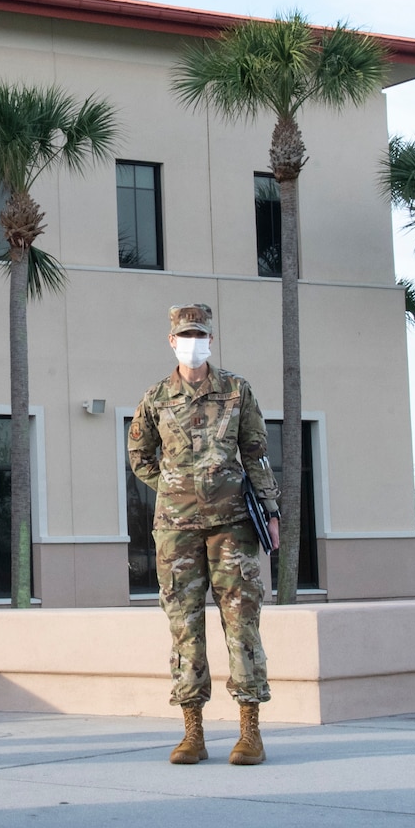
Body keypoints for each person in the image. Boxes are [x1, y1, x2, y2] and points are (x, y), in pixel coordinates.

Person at [128, 304, 283, 766]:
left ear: (209, 339)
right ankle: (192, 733)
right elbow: (140, 455)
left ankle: (250, 732)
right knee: (184, 628)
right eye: (184, 334)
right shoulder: (156, 397)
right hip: (175, 531)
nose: (192, 341)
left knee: (242, 625)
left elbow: (255, 453)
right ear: (172, 341)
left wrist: (270, 511)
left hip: (233, 526)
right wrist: (177, 487)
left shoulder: (237, 390)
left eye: (199, 333)